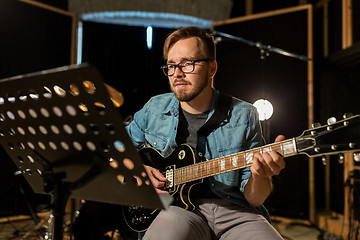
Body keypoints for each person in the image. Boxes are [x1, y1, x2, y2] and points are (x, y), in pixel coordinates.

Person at [126, 26, 286, 240]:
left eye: (187, 64)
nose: (177, 73)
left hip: (235, 210)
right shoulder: (154, 108)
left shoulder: (244, 115)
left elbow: (255, 199)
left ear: (212, 69)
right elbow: (116, 149)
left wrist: (260, 175)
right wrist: (138, 169)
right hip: (176, 209)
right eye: (171, 65)